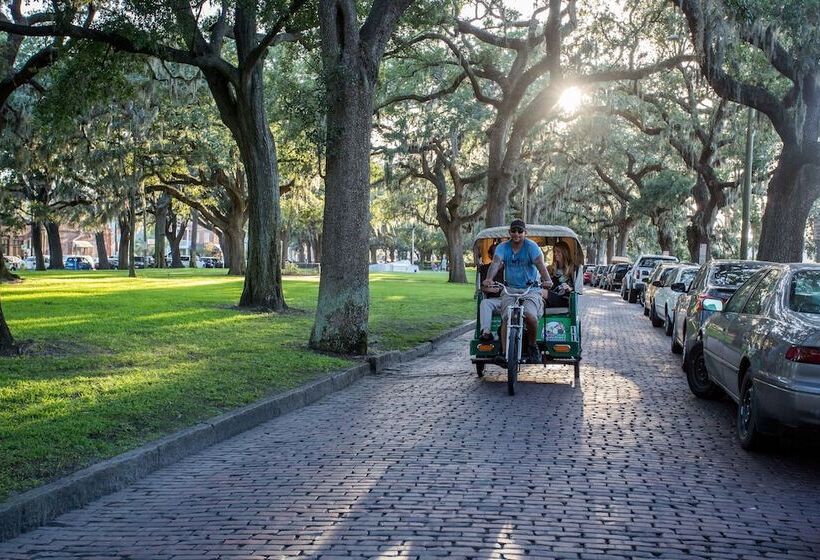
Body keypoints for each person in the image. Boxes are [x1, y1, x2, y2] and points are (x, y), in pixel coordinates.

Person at [481, 219, 552, 363]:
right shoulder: (503, 247)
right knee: (507, 317)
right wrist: (489, 278)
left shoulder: (531, 247)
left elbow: (539, 264)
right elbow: (496, 263)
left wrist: (547, 279)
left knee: (530, 316)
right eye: (513, 231)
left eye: (520, 231)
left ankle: (532, 346)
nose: (516, 234)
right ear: (509, 232)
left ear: (525, 233)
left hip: (530, 290)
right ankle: (504, 352)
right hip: (510, 289)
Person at [478, 241, 504, 342]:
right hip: (495, 300)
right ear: (490, 255)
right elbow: (482, 288)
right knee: (485, 303)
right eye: (495, 255)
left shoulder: (509, 268)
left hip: (509, 298)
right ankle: (486, 332)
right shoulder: (485, 269)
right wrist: (490, 289)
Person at [545, 240, 576, 308]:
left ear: (564, 252)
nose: (555, 254)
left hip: (563, 298)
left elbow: (575, 290)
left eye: (558, 252)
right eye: (554, 252)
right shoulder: (550, 268)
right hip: (551, 296)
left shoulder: (572, 268)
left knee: (541, 292)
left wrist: (569, 288)